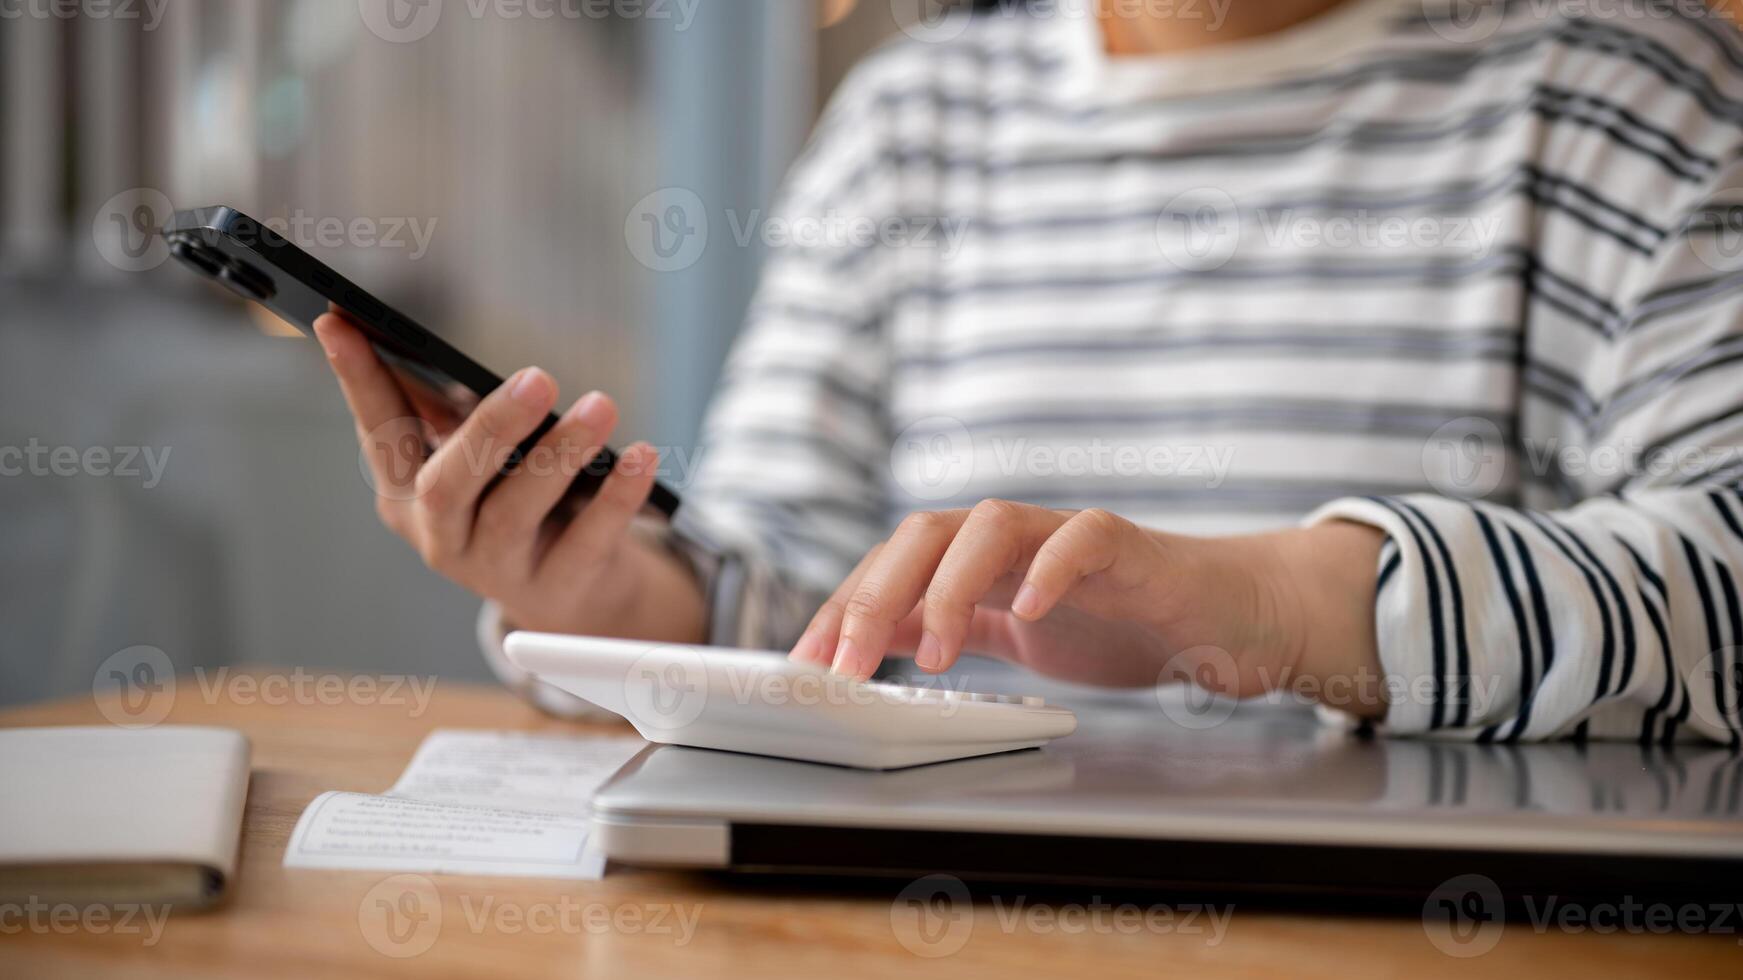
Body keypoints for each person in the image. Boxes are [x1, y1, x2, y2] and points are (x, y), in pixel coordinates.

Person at [313, 0, 1743, 744]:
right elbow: (801, 592)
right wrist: (607, 591)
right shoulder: (918, 119)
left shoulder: (1634, 101)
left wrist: (1265, 603)